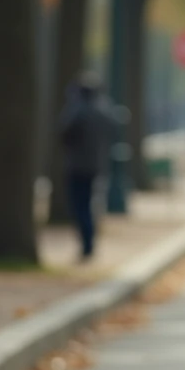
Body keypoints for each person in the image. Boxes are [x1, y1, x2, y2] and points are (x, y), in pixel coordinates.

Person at [60, 74, 115, 262]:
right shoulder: (103, 111)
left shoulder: (78, 111)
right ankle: (89, 242)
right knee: (89, 204)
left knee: (79, 206)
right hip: (96, 165)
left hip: (77, 166)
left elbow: (64, 133)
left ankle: (86, 244)